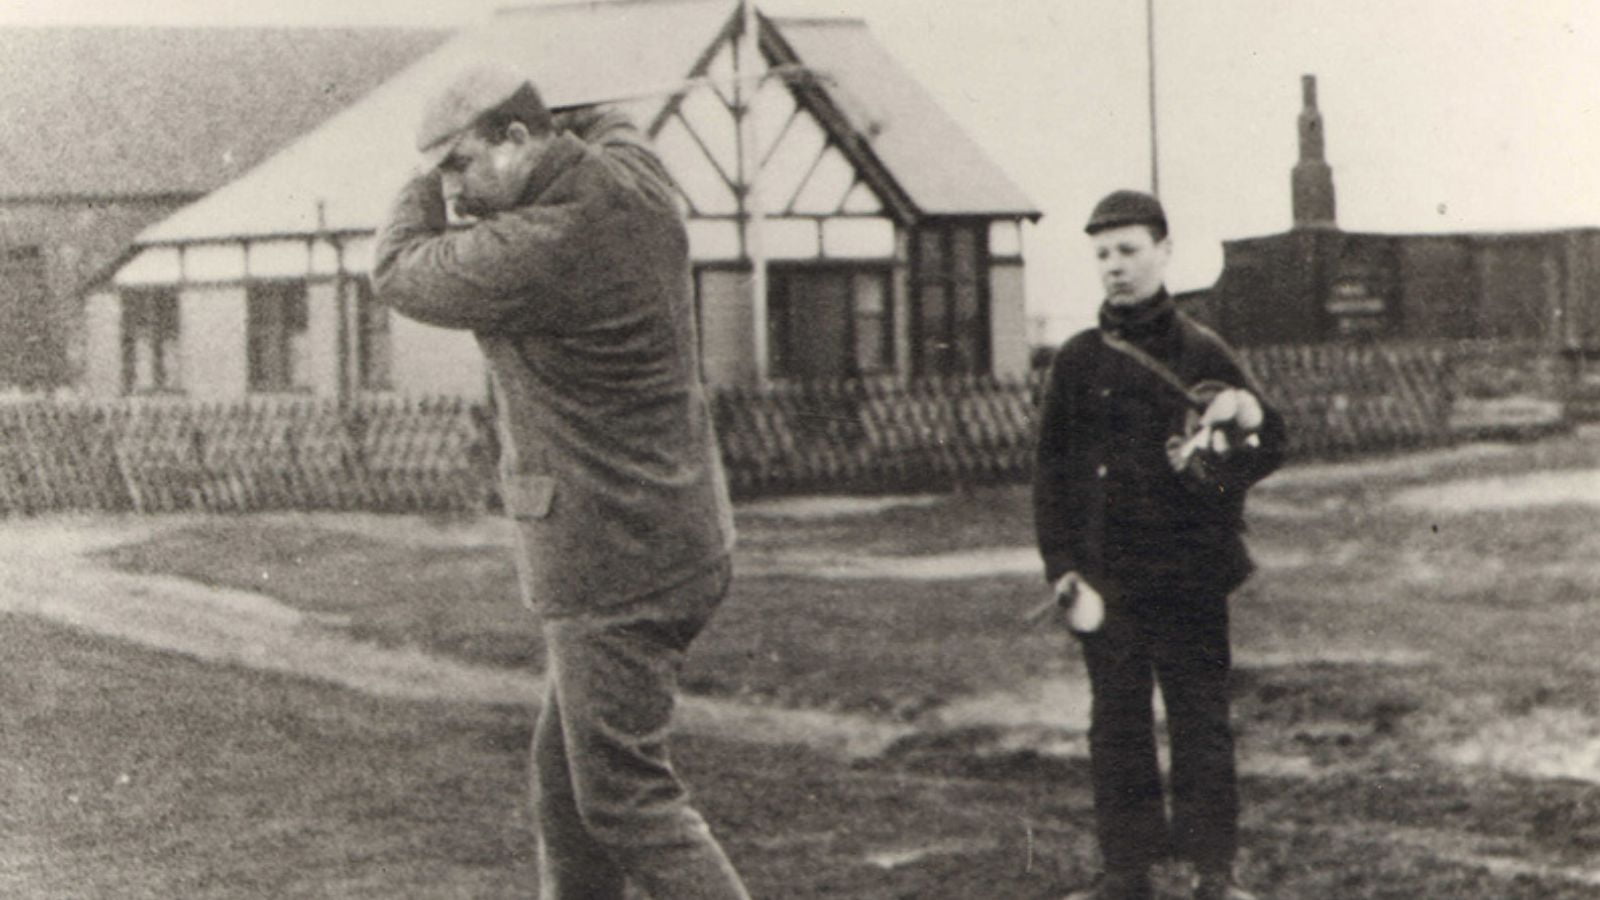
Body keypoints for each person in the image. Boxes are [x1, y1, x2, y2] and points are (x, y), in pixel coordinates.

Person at [372, 63, 748, 900]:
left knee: (624, 802)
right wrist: (538, 118)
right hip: (678, 540)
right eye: (443, 176)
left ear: (517, 138)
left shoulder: (541, 246)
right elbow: (612, 119)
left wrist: (414, 174)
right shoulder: (633, 178)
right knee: (566, 794)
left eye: (460, 166)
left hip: (613, 564)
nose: (455, 192)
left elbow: (397, 269)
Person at [1032, 190, 1287, 900]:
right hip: (1107, 579)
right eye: (1103, 255)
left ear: (1165, 252)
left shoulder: (1202, 350)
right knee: (1115, 724)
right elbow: (1050, 473)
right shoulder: (1078, 361)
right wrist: (1061, 567)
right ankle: (1126, 873)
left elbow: (1272, 441)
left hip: (1189, 576)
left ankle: (1216, 876)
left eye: (1129, 250)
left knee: (1201, 721)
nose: (1115, 267)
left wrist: (1220, 449)